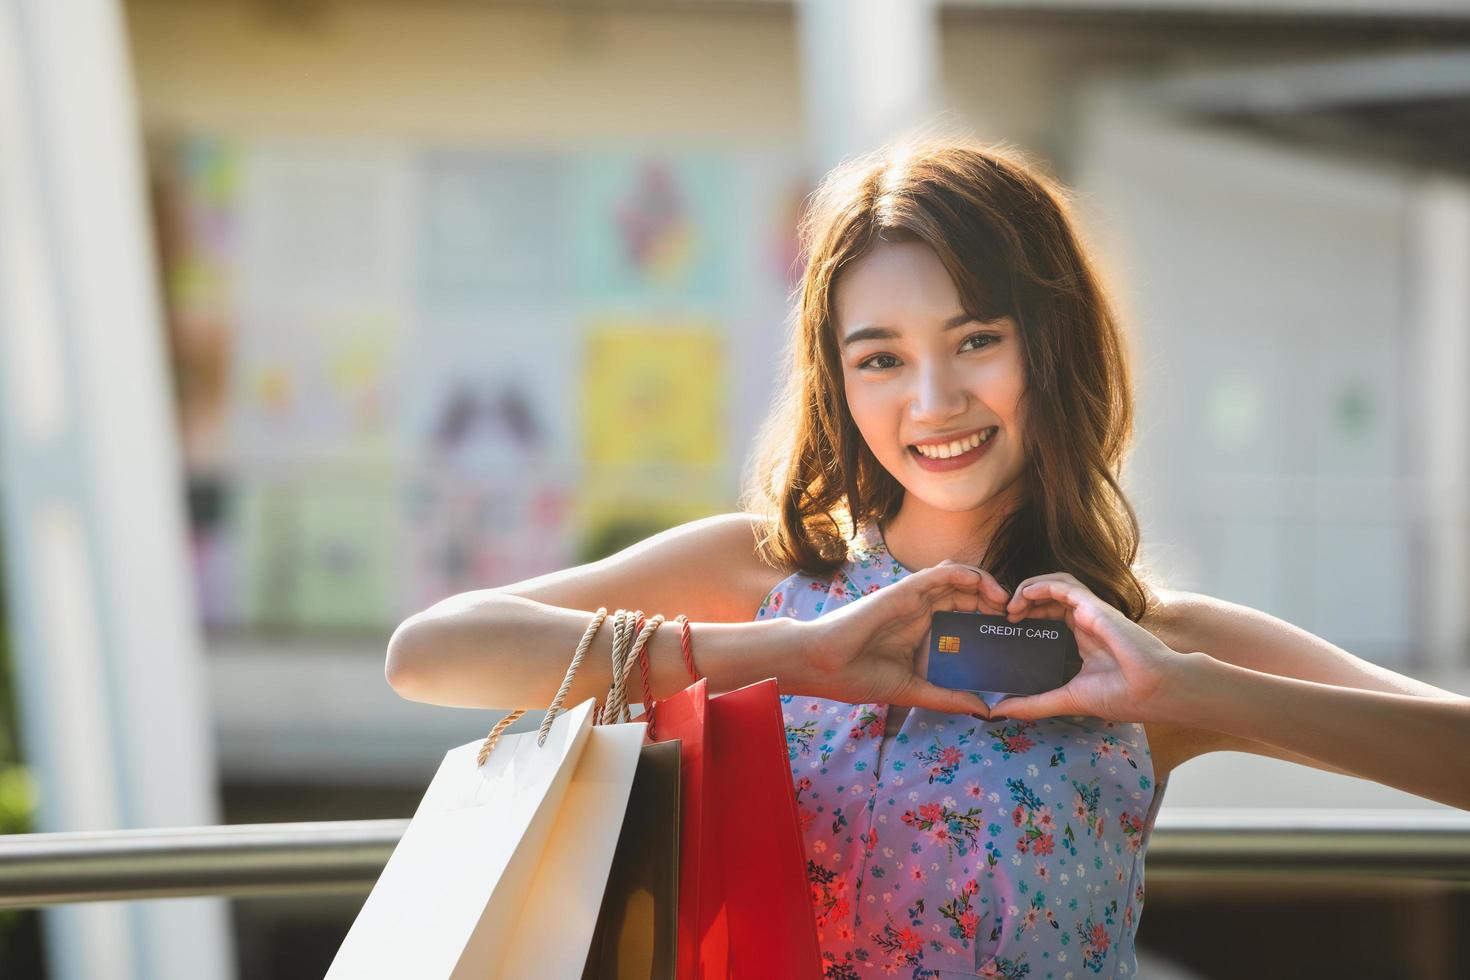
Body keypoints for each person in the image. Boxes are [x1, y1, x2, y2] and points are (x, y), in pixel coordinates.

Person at [384, 137, 1470, 979]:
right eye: (882, 358)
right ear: (839, 381)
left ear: (1053, 341)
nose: (934, 400)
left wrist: (1189, 689)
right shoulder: (763, 578)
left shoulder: (1151, 645)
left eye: (977, 340)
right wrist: (793, 655)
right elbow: (431, 655)